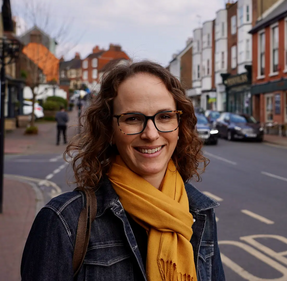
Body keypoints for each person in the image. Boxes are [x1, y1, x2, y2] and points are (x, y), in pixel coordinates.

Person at [21, 61, 225, 281]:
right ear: (109, 129)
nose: (151, 133)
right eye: (133, 119)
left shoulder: (199, 212)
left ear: (179, 125)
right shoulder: (63, 222)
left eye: (164, 116)